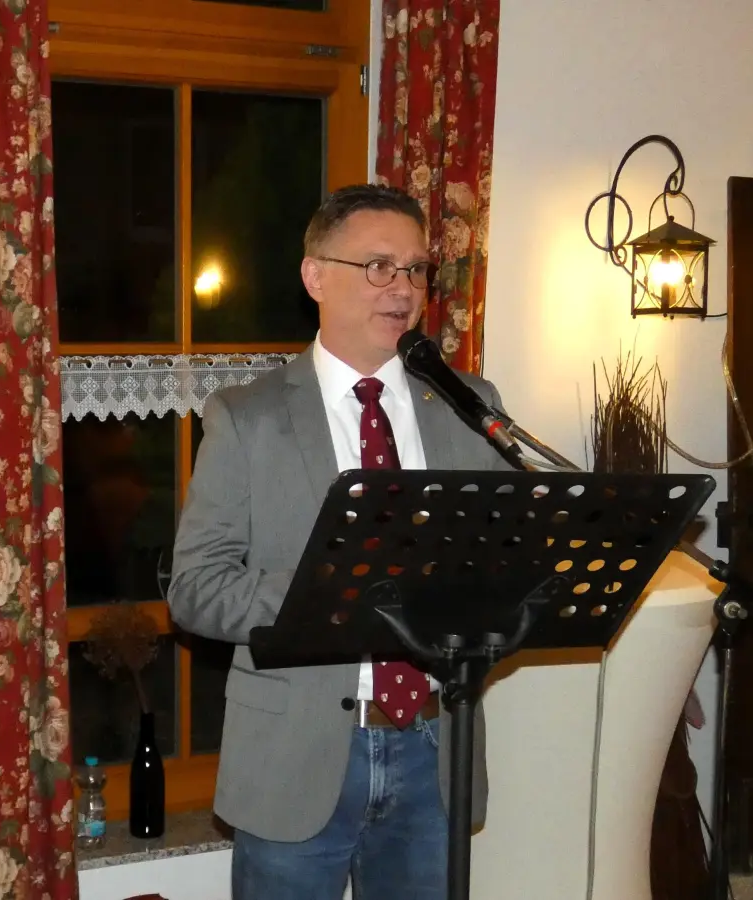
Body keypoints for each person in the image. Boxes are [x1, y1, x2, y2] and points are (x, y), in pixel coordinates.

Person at [167, 183, 516, 899]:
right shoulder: (247, 418)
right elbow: (196, 589)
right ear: (315, 276)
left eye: (417, 269)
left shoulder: (470, 407)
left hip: (433, 750)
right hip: (295, 757)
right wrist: (331, 593)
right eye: (379, 267)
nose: (405, 290)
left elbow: (505, 569)